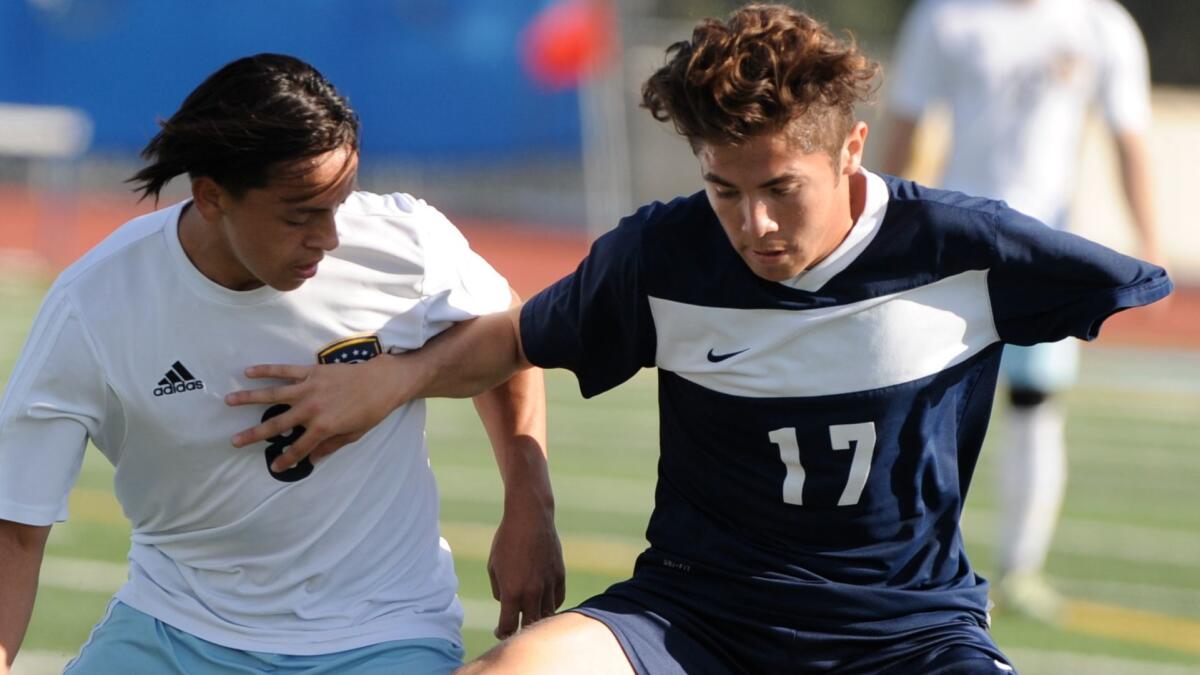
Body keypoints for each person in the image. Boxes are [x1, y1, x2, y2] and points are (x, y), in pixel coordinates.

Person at [226, 6, 1172, 674]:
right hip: (694, 616)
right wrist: (390, 381)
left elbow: (1136, 277)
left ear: (852, 150)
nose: (753, 224)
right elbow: (514, 337)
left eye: (780, 189)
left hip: (907, 635)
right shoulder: (663, 253)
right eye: (726, 190)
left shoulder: (969, 248)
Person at [0, 53, 563, 675]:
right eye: (301, 215)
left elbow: (511, 330)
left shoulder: (402, 242)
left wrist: (527, 503)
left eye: (339, 204)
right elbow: (14, 530)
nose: (330, 237)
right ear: (212, 196)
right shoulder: (95, 303)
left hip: (383, 629)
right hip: (174, 629)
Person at [880, 0, 1165, 621]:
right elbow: (905, 123)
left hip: (1042, 255)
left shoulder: (1100, 24)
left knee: (1036, 408)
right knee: (922, 408)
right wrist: (867, 228)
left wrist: (1147, 239)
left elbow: (1129, 137)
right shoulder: (946, 17)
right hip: (950, 246)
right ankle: (906, 557)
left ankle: (1021, 570)